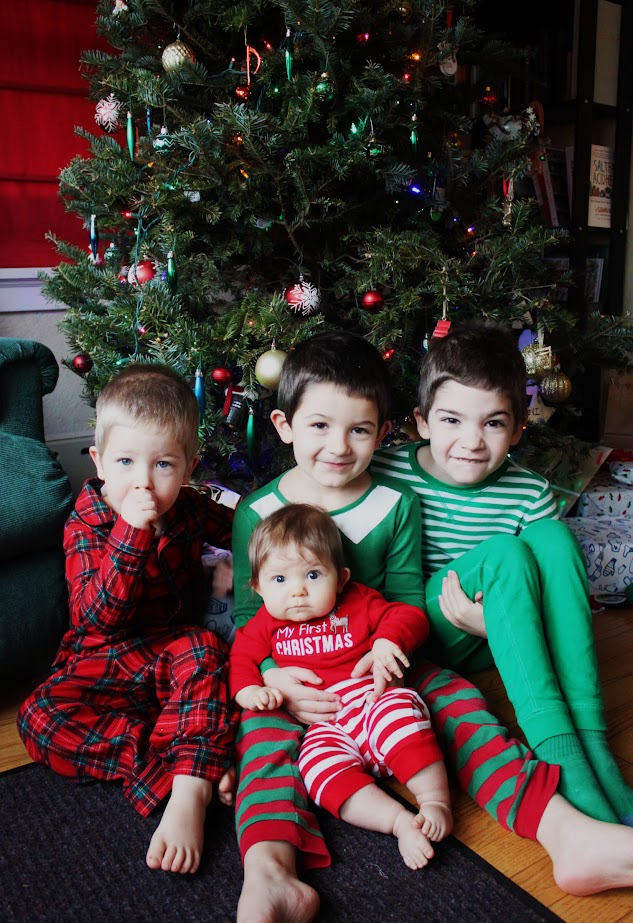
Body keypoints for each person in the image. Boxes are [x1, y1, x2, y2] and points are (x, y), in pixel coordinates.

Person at [231, 330, 633, 923]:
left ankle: (567, 832)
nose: (339, 447)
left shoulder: (395, 501)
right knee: (261, 734)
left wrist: (392, 646)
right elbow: (245, 618)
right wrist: (273, 678)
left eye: (359, 430)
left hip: (382, 664)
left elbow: (405, 602)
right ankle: (269, 874)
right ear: (285, 425)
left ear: (383, 432)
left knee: (459, 705)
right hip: (300, 675)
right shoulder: (256, 513)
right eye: (318, 426)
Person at [371, 319, 633, 830]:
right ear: (421, 421)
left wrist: (494, 624)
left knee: (554, 538)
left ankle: (594, 745)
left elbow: (552, 594)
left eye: (492, 423)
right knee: (504, 554)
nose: (471, 441)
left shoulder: (529, 492)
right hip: (414, 632)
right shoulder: (387, 470)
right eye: (451, 421)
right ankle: (563, 759)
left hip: (499, 633)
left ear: (516, 430)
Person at [17, 363, 240, 875]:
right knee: (39, 718)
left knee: (205, 651)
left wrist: (239, 563)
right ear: (97, 462)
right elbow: (97, 619)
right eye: (124, 461)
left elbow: (249, 529)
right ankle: (178, 766)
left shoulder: (188, 508)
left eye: (163, 464)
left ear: (188, 468)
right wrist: (132, 534)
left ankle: (189, 793)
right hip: (102, 657)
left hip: (170, 651)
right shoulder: (87, 521)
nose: (143, 482)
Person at [231, 503, 452, 871]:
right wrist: (249, 691)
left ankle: (434, 801)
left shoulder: (358, 602)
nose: (298, 591)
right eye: (280, 580)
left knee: (399, 711)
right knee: (315, 769)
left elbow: (408, 615)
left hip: (372, 703)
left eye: (314, 575)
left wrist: (386, 640)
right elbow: (240, 660)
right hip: (325, 728)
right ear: (257, 587)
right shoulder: (264, 623)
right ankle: (398, 821)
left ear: (342, 577)